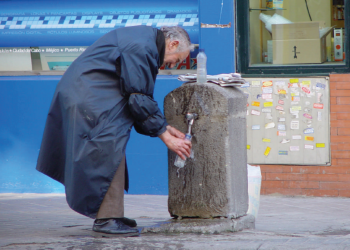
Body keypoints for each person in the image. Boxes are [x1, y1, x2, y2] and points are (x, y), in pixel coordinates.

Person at [36, 25, 194, 236]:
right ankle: (107, 219)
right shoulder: (142, 45)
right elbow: (138, 96)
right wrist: (164, 135)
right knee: (107, 148)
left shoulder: (143, 39)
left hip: (88, 94)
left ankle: (112, 214)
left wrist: (163, 127)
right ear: (173, 43)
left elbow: (137, 96)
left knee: (111, 147)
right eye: (176, 60)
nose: (172, 65)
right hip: (90, 97)